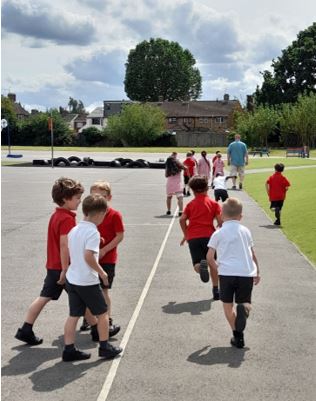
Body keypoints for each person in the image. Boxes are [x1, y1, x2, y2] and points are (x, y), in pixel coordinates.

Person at [15, 177, 84, 345]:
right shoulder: (67, 218)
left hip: (53, 265)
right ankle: (98, 328)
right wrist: (65, 269)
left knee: (44, 297)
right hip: (63, 267)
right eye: (77, 198)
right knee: (83, 295)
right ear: (66, 199)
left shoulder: (57, 215)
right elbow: (64, 245)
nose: (79, 201)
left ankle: (26, 328)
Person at [62, 194, 123, 361]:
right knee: (102, 313)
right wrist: (102, 273)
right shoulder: (93, 232)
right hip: (86, 280)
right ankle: (104, 347)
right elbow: (89, 256)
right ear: (100, 214)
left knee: (74, 315)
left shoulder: (74, 230)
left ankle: (69, 349)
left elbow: (72, 250)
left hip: (72, 278)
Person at [207, 197, 260, 348]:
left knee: (227, 306)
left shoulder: (218, 233)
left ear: (222, 216)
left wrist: (218, 269)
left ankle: (238, 336)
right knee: (245, 302)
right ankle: (244, 308)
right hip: (246, 273)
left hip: (226, 274)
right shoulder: (246, 231)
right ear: (240, 216)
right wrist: (257, 271)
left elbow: (209, 257)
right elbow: (252, 253)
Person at [80, 181, 124, 338]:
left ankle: (107, 319)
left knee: (103, 290)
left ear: (109, 197)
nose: (98, 199)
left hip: (107, 259)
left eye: (102, 196)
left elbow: (120, 235)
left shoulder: (114, 215)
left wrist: (105, 249)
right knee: (87, 289)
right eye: (94, 196)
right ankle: (89, 319)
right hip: (89, 258)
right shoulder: (88, 216)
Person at [179, 175, 222, 300]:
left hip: (193, 237)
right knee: (213, 263)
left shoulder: (190, 204)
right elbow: (220, 222)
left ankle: (200, 268)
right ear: (207, 188)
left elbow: (182, 219)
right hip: (209, 237)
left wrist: (186, 235)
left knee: (196, 264)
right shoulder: (213, 204)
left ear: (192, 190)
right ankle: (216, 290)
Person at [165, 152, 185, 216]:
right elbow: (184, 167)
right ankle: (180, 211)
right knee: (180, 198)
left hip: (170, 184)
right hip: (177, 184)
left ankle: (169, 210)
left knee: (169, 197)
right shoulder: (179, 167)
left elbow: (166, 176)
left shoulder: (168, 168)